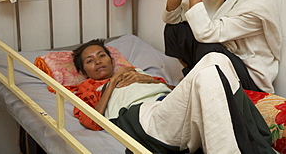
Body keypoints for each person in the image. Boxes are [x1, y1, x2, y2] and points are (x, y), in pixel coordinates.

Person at [72, 39, 275, 153]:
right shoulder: (86, 88)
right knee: (212, 62)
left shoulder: (137, 71)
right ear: (83, 71)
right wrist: (112, 84)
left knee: (216, 59)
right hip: (147, 119)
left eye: (101, 55)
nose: (98, 62)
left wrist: (148, 80)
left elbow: (178, 90)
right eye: (89, 61)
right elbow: (91, 121)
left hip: (171, 107)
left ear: (111, 59)